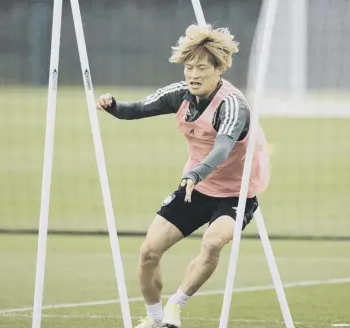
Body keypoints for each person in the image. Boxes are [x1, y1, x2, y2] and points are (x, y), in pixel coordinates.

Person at [96, 24, 270, 328]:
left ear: (219, 69)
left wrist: (195, 173)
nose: (193, 74)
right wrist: (113, 107)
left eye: (202, 67)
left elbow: (223, 148)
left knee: (214, 243)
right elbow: (137, 109)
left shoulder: (233, 105)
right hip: (197, 186)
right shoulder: (181, 94)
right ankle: (154, 319)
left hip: (235, 191)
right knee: (149, 251)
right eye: (189, 67)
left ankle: (176, 306)